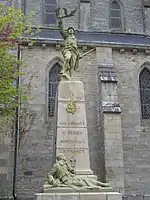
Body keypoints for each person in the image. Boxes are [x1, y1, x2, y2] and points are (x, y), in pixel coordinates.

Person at [44, 154, 111, 190]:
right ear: (61, 157)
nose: (65, 157)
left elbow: (73, 172)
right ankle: (92, 186)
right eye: (64, 156)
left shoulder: (65, 164)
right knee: (82, 184)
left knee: (86, 179)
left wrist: (71, 168)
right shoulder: (56, 165)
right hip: (67, 181)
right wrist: (53, 181)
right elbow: (49, 174)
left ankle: (103, 185)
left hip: (72, 177)